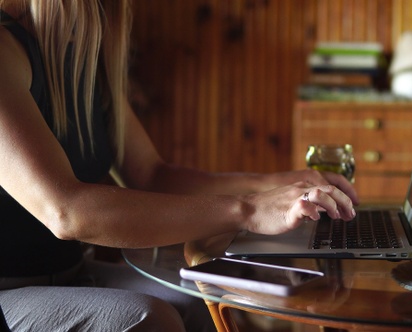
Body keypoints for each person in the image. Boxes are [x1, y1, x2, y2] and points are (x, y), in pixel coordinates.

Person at [0, 0, 358, 331]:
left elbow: (153, 175)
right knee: (154, 320)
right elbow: (66, 212)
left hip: (68, 275)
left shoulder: (79, 56)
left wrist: (282, 184)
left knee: (207, 301)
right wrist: (247, 209)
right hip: (8, 294)